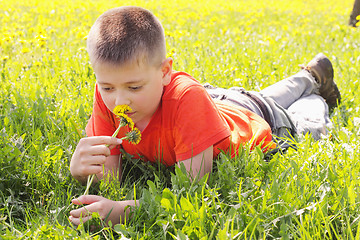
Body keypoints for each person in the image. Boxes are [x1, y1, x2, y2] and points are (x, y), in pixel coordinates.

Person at [68, 6, 341, 226]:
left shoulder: (186, 98)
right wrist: (81, 172)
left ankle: (314, 90)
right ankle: (309, 75)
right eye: (107, 88)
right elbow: (112, 179)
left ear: (165, 72)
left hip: (260, 121)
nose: (119, 102)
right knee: (258, 96)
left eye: (134, 87)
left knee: (305, 125)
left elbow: (191, 191)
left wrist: (122, 211)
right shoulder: (111, 94)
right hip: (222, 102)